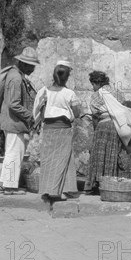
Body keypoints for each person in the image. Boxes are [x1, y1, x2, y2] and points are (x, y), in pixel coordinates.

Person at [33, 61, 83, 203]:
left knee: (49, 160)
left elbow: (37, 111)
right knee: (63, 159)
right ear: (67, 77)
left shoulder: (43, 91)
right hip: (64, 129)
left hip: (48, 129)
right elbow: (77, 113)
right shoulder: (69, 94)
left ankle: (51, 190)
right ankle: (58, 191)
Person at [85, 71, 131, 193]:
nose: (93, 88)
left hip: (103, 126)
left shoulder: (97, 95)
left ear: (97, 83)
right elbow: (124, 108)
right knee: (114, 153)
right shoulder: (118, 93)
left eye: (93, 85)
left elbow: (95, 116)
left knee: (99, 155)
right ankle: (112, 183)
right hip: (117, 126)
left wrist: (96, 131)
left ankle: (97, 184)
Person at [0, 47, 39, 195]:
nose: (33, 69)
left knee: (12, 152)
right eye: (32, 66)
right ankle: (9, 187)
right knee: (14, 154)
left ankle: (4, 183)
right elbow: (14, 103)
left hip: (12, 121)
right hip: (14, 122)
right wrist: (30, 116)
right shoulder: (16, 78)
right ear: (25, 64)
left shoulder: (16, 75)